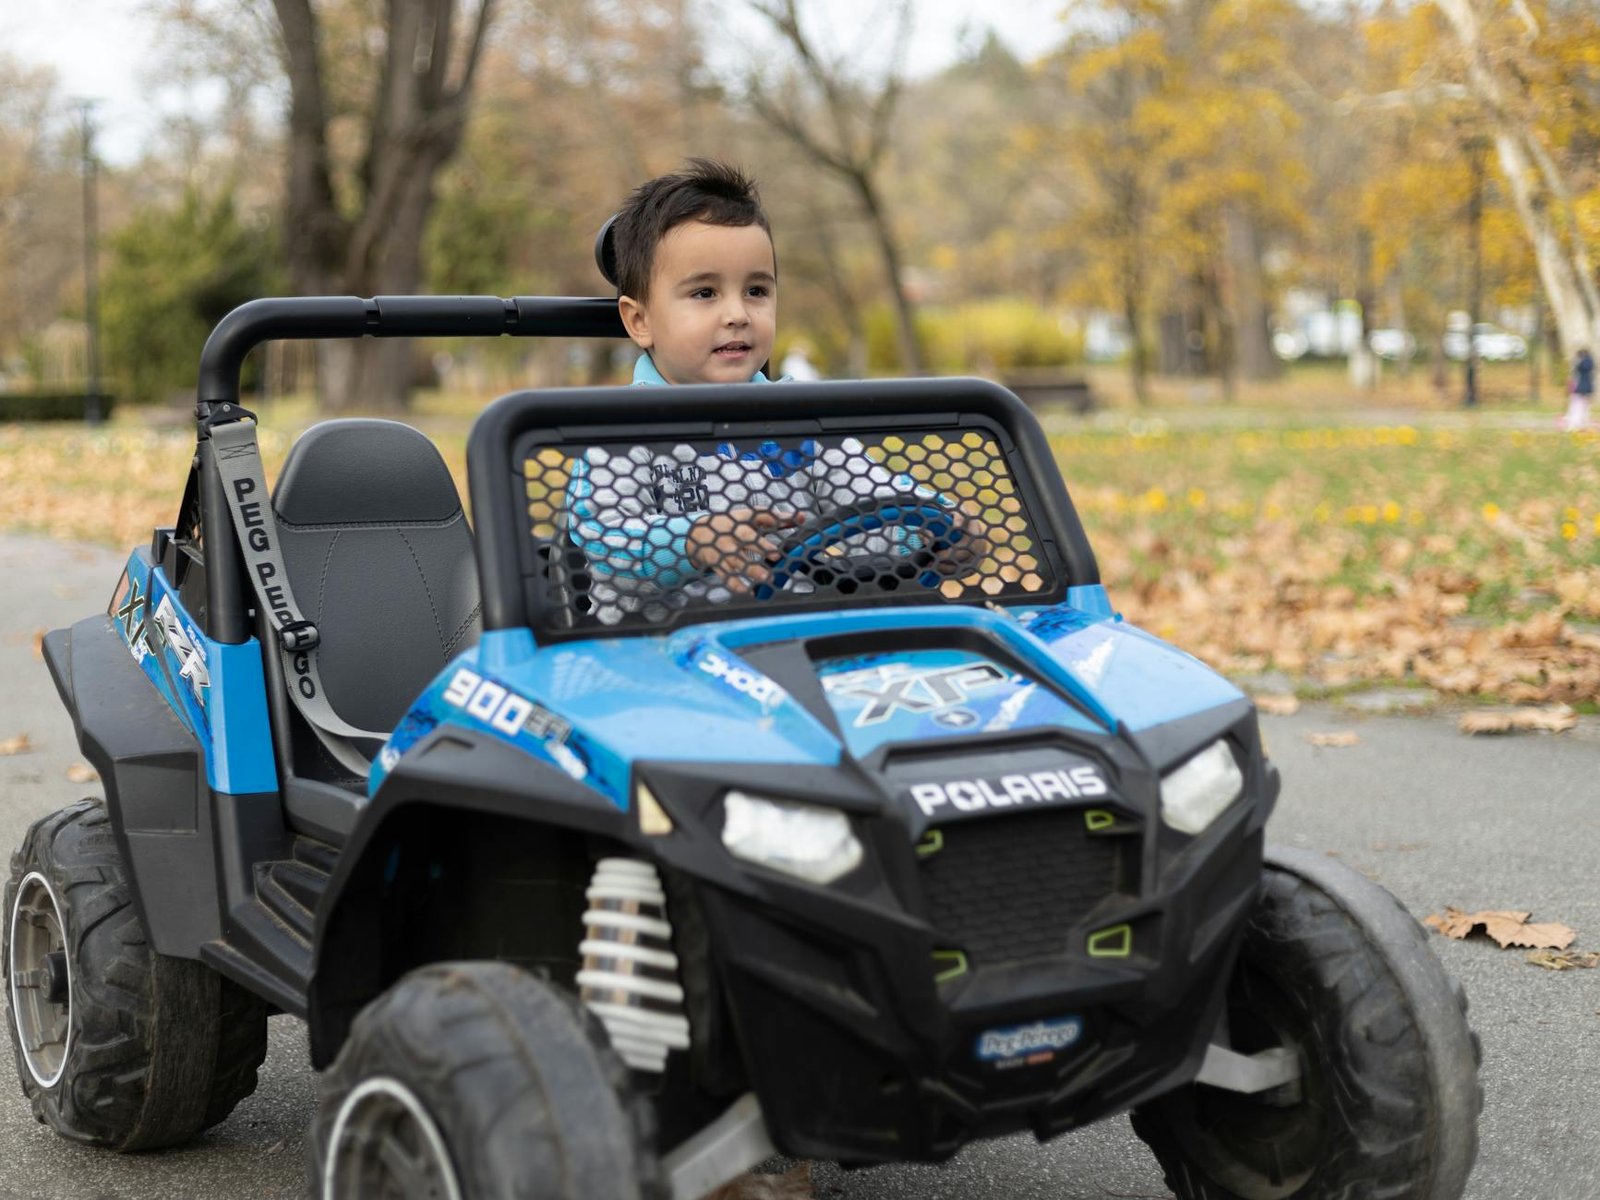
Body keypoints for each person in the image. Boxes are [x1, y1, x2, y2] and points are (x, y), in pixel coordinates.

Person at [563, 159, 983, 624]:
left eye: (757, 290)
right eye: (705, 293)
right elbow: (602, 543)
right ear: (640, 321)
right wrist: (692, 540)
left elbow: (872, 497)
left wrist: (936, 530)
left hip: (797, 641)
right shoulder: (620, 431)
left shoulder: (798, 422)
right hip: (656, 661)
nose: (738, 313)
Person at [1561, 347, 1594, 431]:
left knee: (1578, 406)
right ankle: (1581, 424)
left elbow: (1576, 374)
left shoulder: (1581, 363)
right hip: (1585, 389)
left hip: (1580, 389)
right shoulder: (1589, 362)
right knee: (1584, 407)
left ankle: (1577, 424)